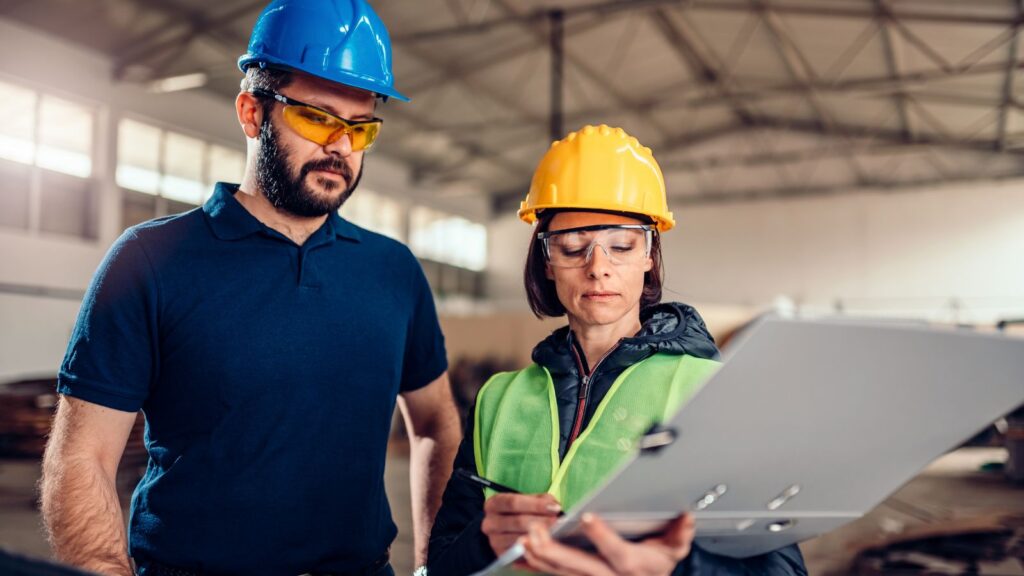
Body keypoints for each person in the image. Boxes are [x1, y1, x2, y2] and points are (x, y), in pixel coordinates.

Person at [40, 1, 461, 575]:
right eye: (317, 118)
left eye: (360, 128)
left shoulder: (393, 271)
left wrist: (436, 562)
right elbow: (81, 458)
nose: (340, 146)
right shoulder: (151, 261)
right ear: (251, 112)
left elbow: (436, 423)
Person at [427, 125, 807, 575]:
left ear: (650, 255)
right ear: (546, 262)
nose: (598, 269)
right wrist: (486, 541)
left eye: (621, 246)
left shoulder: (709, 390)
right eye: (572, 248)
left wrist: (674, 568)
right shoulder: (499, 399)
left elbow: (779, 568)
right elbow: (443, 563)